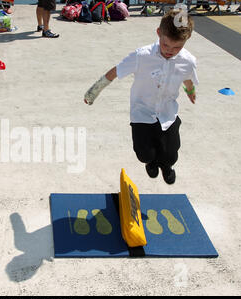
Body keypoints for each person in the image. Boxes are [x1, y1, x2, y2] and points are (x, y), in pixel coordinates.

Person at [84, 9, 198, 185]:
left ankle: (166, 166)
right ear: (159, 33)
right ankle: (151, 161)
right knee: (145, 154)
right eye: (166, 45)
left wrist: (190, 92)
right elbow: (115, 71)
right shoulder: (141, 56)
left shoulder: (188, 60)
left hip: (168, 113)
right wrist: (94, 91)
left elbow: (188, 78)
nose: (170, 51)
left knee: (170, 156)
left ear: (186, 40)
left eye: (177, 47)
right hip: (142, 114)